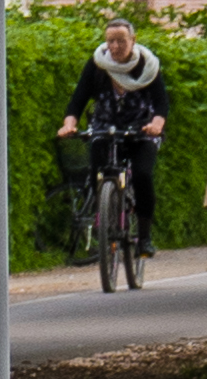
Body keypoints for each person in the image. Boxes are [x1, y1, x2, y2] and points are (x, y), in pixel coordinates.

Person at [67, 19, 175, 249]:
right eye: (110, 41)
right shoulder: (97, 64)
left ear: (133, 41)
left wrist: (156, 123)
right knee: (97, 170)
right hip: (104, 127)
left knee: (143, 175)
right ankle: (103, 218)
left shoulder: (148, 65)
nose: (114, 47)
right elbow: (78, 99)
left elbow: (161, 102)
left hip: (140, 130)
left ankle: (144, 238)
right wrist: (69, 124)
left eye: (121, 41)